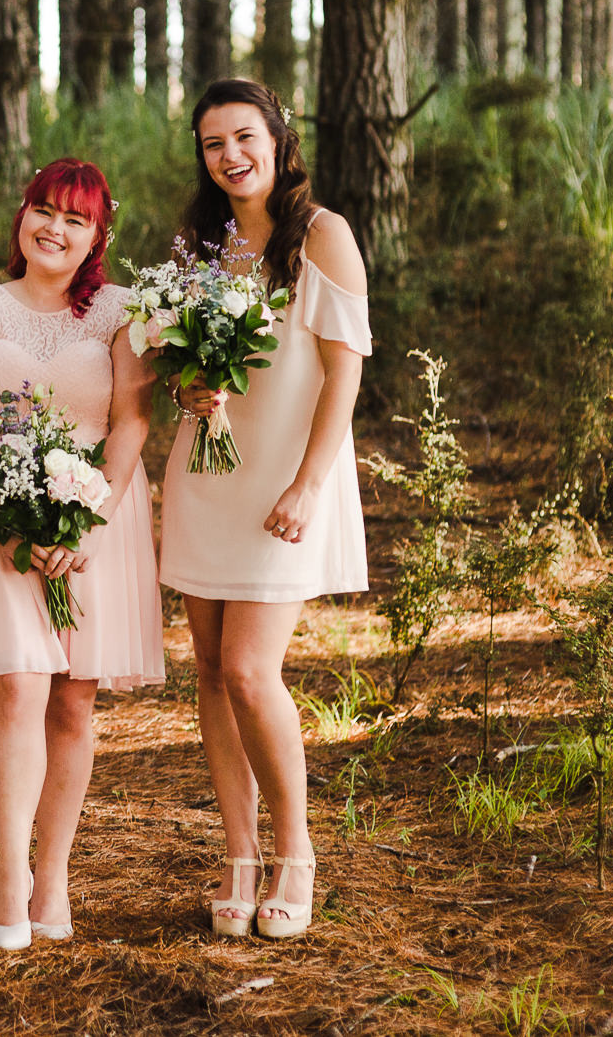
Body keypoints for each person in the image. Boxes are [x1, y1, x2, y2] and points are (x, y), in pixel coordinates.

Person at [159, 78, 371, 941]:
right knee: (209, 671)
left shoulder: (322, 236)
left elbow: (345, 367)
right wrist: (189, 383)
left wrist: (310, 485)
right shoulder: (201, 246)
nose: (230, 155)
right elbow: (172, 363)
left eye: (243, 136)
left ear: (278, 139)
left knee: (251, 669)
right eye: (213, 144)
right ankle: (238, 853)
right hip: (208, 473)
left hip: (287, 478)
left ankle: (296, 851)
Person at [0, 158, 163, 949]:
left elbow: (133, 422)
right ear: (22, 215)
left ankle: (54, 873)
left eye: (75, 218)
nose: (55, 228)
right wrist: (9, 517)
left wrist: (92, 518)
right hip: (4, 519)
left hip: (99, 513)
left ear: (98, 234)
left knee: (74, 698)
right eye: (43, 209)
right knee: (19, 686)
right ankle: (7, 874)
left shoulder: (119, 312)